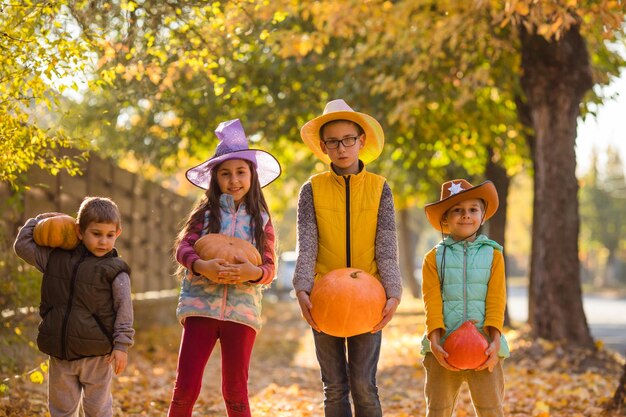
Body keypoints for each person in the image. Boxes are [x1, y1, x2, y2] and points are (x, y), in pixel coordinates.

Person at [293, 99, 403, 417]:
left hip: (368, 298)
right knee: (334, 389)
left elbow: (386, 246)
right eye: (333, 141)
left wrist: (393, 292)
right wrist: (302, 287)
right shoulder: (311, 190)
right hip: (323, 297)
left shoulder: (380, 189)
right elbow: (307, 245)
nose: (341, 148)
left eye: (348, 139)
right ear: (324, 147)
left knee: (365, 387)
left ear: (361, 141)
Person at [167, 118, 281, 417]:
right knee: (186, 387)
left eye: (240, 172)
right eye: (225, 174)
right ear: (215, 179)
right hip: (199, 307)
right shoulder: (205, 214)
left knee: (235, 390)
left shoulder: (262, 222)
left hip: (242, 313)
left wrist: (252, 274)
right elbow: (182, 248)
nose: (234, 180)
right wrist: (201, 265)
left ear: (252, 175)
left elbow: (270, 267)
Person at [13, 196, 133, 417]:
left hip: (98, 356)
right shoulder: (55, 260)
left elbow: (124, 309)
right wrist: (42, 219)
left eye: (109, 235)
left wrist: (121, 345)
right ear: (79, 231)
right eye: (96, 234)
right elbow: (22, 246)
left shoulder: (115, 270)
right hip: (61, 354)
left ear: (118, 233)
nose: (103, 242)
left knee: (97, 410)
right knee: (61, 410)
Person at [420, 179, 511, 417]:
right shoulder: (433, 258)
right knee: (438, 410)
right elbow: (432, 301)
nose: (466, 216)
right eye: (457, 210)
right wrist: (435, 340)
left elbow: (496, 299)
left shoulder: (493, 254)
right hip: (444, 347)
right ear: (445, 219)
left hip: (485, 345)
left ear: (482, 216)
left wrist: (494, 341)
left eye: (473, 209)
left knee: (491, 409)